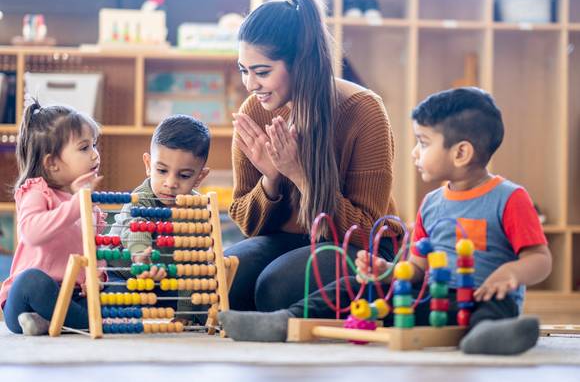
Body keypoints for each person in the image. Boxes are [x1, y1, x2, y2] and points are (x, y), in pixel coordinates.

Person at [220, 87, 552, 356]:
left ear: (461, 153)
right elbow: (417, 267)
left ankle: (490, 336)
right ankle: (287, 320)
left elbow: (539, 259)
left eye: (423, 143)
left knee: (495, 307)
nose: (414, 153)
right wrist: (387, 270)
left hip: (480, 297)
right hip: (428, 299)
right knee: (359, 286)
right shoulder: (433, 203)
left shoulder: (509, 198)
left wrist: (510, 273)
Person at [225, 0, 399, 313]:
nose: (250, 84)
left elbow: (367, 231)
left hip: (358, 247)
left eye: (262, 72)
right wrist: (272, 181)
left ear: (300, 63)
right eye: (243, 70)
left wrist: (301, 176)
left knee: (275, 290)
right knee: (225, 278)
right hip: (290, 241)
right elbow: (248, 226)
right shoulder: (255, 110)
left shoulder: (363, 110)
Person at [0, 99, 104, 335]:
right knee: (32, 281)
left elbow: (95, 250)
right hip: (26, 300)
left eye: (95, 145)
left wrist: (96, 274)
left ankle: (54, 320)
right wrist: (77, 204)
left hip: (72, 295)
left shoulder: (88, 204)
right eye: (84, 148)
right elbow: (32, 233)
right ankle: (88, 320)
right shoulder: (37, 191)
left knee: (113, 290)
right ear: (52, 163)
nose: (95, 155)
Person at [108, 114, 210, 314]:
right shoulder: (141, 197)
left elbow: (192, 265)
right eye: (162, 171)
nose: (170, 183)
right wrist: (140, 255)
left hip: (162, 281)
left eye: (184, 175)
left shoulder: (198, 211)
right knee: (119, 296)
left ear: (199, 177)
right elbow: (135, 225)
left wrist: (186, 313)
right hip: (122, 274)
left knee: (198, 296)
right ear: (148, 165)